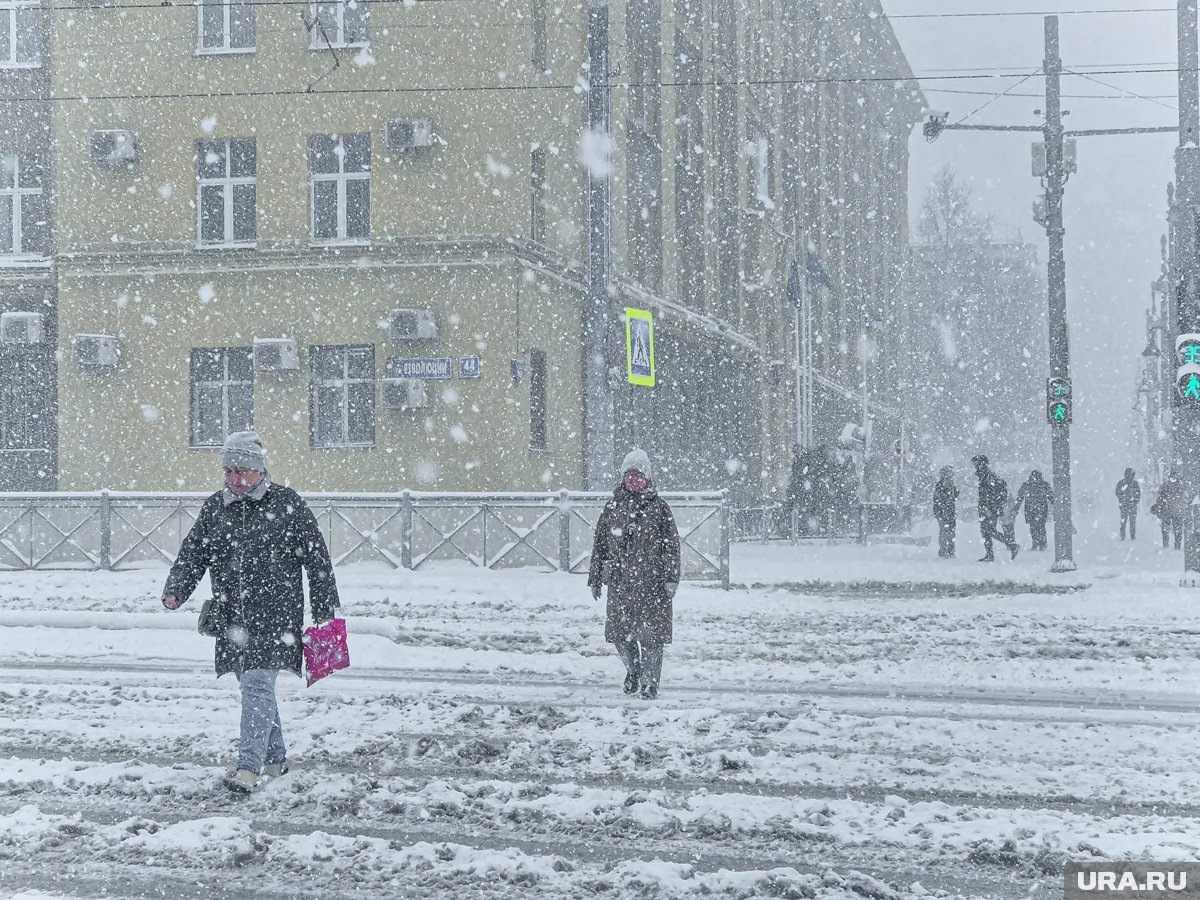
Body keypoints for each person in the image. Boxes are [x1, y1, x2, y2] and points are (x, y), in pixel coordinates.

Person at [160, 431, 340, 793]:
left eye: (242, 471)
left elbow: (317, 557)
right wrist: (176, 588)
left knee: (257, 686)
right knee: (253, 689)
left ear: (260, 470)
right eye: (229, 471)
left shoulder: (287, 504)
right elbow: (194, 552)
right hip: (233, 617)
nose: (235, 479)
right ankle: (276, 762)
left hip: (277, 617)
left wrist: (324, 607)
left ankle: (248, 768)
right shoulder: (216, 508)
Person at [588, 449, 680, 701]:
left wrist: (672, 578)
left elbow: (672, 546)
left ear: (647, 478)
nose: (633, 481)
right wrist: (595, 578)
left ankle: (650, 683)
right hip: (621, 584)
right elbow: (600, 545)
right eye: (629, 476)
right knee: (620, 634)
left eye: (638, 476)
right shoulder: (612, 507)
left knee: (651, 638)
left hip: (653, 584)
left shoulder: (660, 509)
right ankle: (633, 670)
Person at [972, 454, 1018, 562]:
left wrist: (988, 508)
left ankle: (1012, 545)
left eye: (975, 464)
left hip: (989, 510)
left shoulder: (988, 477)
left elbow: (990, 495)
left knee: (989, 531)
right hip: (987, 509)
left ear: (980, 464)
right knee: (985, 531)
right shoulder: (984, 476)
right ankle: (989, 554)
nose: (974, 466)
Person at [1014, 470, 1054, 552]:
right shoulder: (1044, 485)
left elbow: (1019, 499)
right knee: (1037, 527)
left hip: (1032, 510)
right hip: (1038, 510)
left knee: (1037, 527)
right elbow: (1051, 497)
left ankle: (1039, 544)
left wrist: (1016, 509)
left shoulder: (1027, 485)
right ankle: (1040, 544)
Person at [1152, 468, 1189, 550]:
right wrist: (1161, 503)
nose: (1173, 479)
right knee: (1167, 528)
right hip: (1168, 510)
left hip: (1176, 511)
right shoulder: (1165, 486)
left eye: (1174, 477)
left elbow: (1184, 499)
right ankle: (1166, 545)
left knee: (1177, 529)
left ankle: (1177, 545)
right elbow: (1160, 497)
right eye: (1172, 477)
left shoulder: (1180, 487)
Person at [932, 466, 958, 558]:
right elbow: (940, 499)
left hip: (946, 511)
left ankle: (947, 550)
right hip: (945, 512)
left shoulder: (948, 484)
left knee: (947, 531)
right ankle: (946, 550)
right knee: (946, 531)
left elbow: (951, 497)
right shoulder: (942, 485)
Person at [1115, 468, 1141, 541]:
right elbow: (1117, 493)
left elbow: (1138, 493)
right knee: (1128, 522)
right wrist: (1134, 500)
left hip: (1127, 505)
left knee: (1126, 521)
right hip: (1128, 505)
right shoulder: (1125, 483)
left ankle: (1127, 536)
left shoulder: (1124, 483)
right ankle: (1127, 536)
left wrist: (1123, 499)